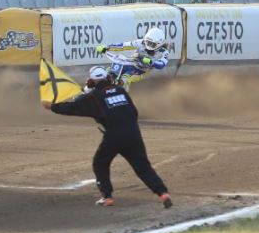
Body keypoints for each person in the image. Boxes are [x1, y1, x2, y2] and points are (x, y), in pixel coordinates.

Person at [43, 66, 173, 209]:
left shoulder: (93, 97)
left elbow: (71, 108)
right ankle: (163, 193)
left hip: (114, 136)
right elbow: (134, 112)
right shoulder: (121, 90)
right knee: (142, 166)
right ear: (108, 78)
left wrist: (52, 107)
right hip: (133, 133)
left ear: (92, 82)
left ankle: (107, 197)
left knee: (100, 163)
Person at [95, 27, 169, 87]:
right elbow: (123, 46)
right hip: (131, 62)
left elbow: (161, 65)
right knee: (109, 70)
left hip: (142, 70)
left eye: (151, 44)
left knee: (125, 78)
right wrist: (107, 47)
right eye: (147, 42)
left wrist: (151, 62)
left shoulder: (163, 52)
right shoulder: (141, 42)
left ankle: (122, 93)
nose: (148, 45)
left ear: (159, 43)